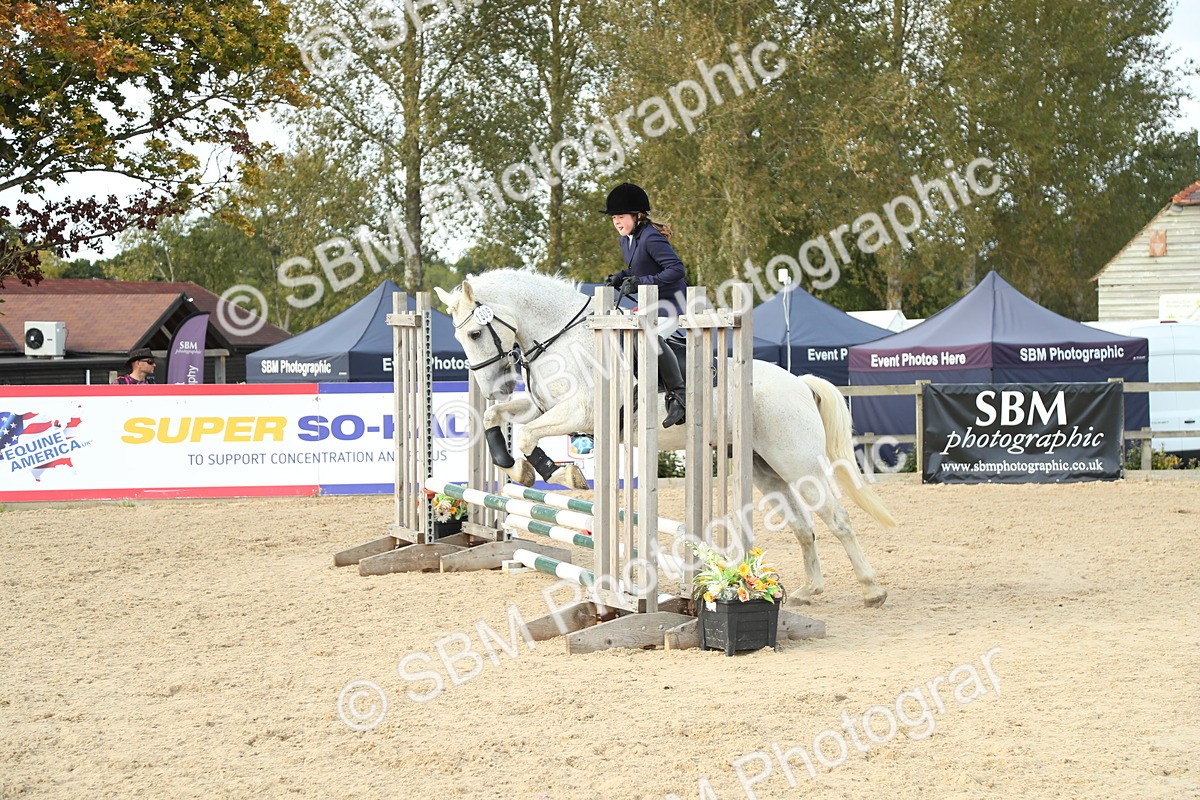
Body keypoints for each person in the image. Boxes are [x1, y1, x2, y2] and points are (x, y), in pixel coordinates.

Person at [601, 182, 687, 427]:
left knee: (648, 338)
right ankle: (648, 386)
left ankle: (679, 396)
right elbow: (638, 267)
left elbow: (676, 270)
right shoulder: (626, 240)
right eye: (614, 218)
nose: (617, 222)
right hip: (651, 306)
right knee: (625, 339)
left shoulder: (650, 237)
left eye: (621, 217)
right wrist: (621, 276)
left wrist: (641, 282)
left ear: (637, 216)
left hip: (672, 304)